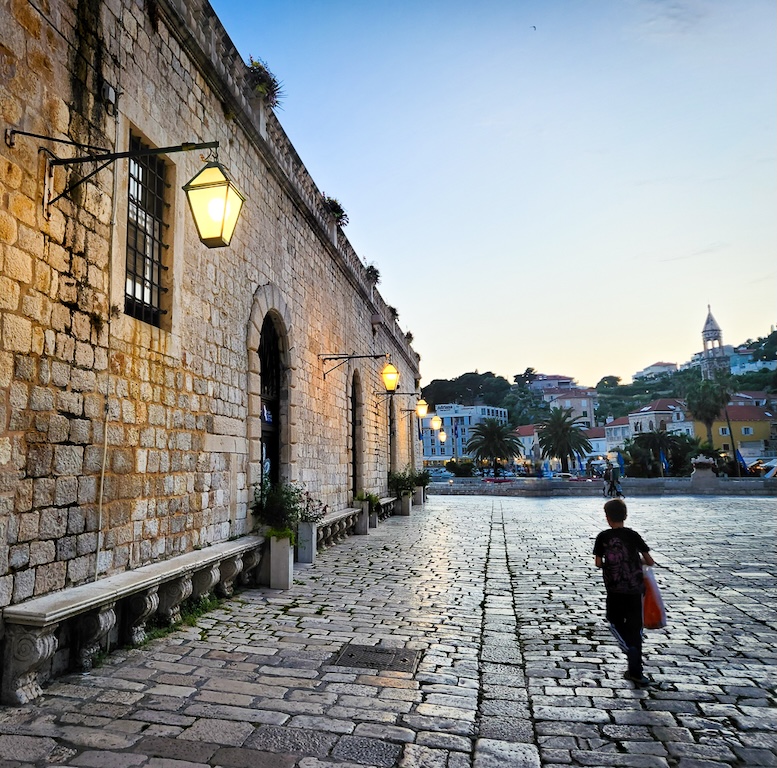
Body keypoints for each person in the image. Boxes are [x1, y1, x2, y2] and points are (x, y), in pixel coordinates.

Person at [593, 498, 655, 686]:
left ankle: (628, 647)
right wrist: (636, 562)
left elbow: (598, 563)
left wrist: (610, 564)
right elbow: (649, 561)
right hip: (635, 589)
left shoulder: (602, 537)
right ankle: (636, 671)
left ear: (607, 517)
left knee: (614, 621)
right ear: (625, 515)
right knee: (636, 627)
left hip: (614, 589)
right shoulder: (633, 535)